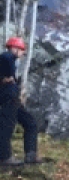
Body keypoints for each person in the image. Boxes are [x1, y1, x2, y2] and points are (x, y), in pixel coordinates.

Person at [0, 36, 41, 165]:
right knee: (6, 127)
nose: (23, 54)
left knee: (30, 123)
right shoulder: (7, 57)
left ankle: (31, 155)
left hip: (13, 99)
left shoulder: (9, 60)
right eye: (22, 50)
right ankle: (5, 158)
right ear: (15, 49)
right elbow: (6, 58)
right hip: (8, 98)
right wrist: (8, 77)